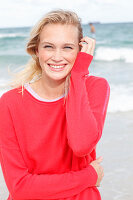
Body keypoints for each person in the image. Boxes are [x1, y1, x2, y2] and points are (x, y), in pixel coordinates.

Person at [0, 9, 110, 200]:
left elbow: (81, 145)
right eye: (49, 46)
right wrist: (89, 176)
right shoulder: (10, 102)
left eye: (67, 47)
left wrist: (78, 73)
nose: (57, 57)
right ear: (37, 50)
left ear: (80, 50)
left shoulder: (95, 87)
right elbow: (20, 187)